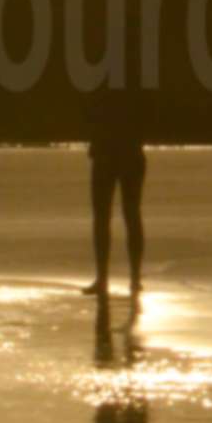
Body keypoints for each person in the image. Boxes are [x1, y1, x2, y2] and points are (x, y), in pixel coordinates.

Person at [83, 108, 147, 297]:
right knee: (131, 214)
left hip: (107, 153)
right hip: (130, 151)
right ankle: (134, 279)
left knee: (104, 216)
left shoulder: (102, 84)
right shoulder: (136, 85)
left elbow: (93, 113)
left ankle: (104, 278)